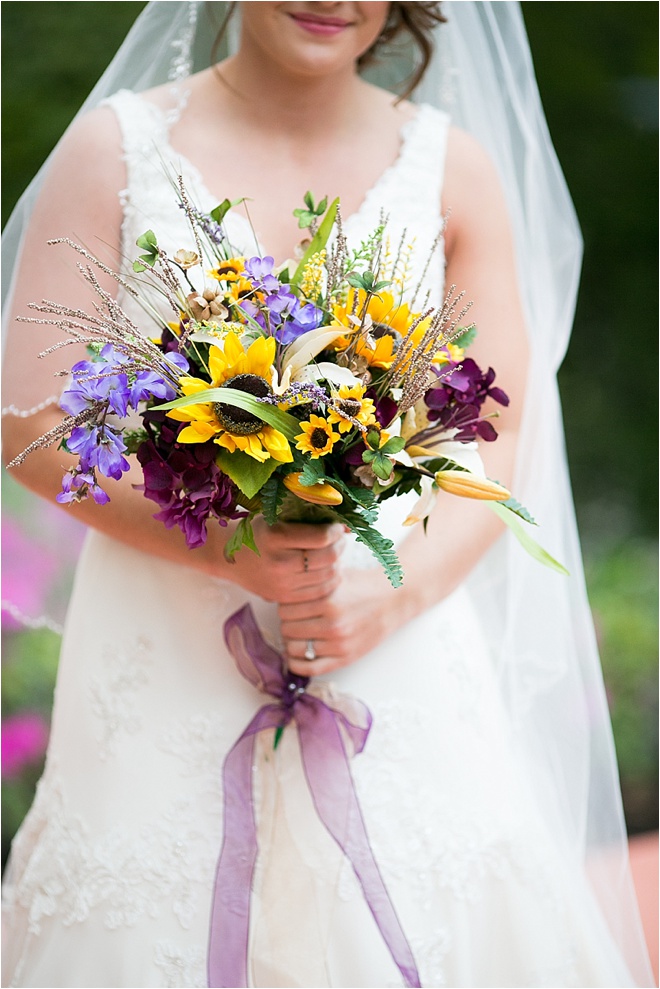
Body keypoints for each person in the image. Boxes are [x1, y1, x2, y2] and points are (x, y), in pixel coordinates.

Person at [1, 3, 653, 987]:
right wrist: (223, 546)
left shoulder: (453, 168)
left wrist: (388, 591)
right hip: (162, 655)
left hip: (396, 647)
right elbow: (28, 421)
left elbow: (500, 425)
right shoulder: (115, 149)